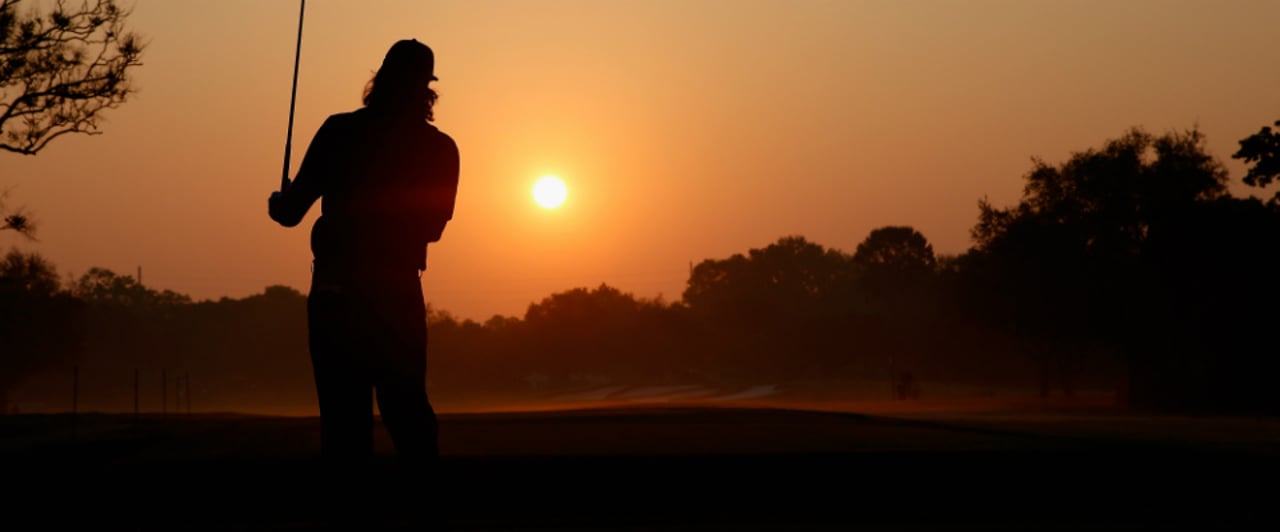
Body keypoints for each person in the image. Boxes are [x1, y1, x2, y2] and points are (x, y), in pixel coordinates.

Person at [268, 39, 459, 472]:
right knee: (408, 411)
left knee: (342, 420)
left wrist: (278, 202)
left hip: (337, 294)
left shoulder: (339, 131)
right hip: (398, 293)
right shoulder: (441, 150)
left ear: (380, 80)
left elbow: (291, 212)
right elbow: (433, 230)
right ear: (426, 89)